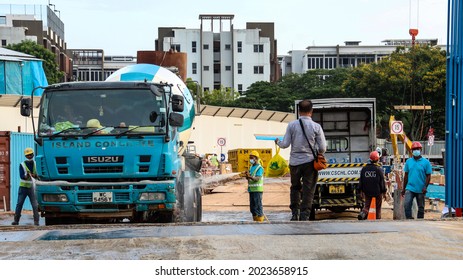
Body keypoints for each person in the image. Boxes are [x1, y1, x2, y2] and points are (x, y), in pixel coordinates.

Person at [275, 99, 326, 221]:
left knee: (295, 187)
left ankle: (294, 213)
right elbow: (323, 147)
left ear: (299, 111)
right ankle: (305, 215)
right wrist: (318, 153)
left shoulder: (292, 125)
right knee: (309, 189)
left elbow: (285, 144)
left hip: (294, 163)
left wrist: (277, 142)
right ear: (311, 111)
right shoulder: (316, 127)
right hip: (310, 163)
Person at [401, 141, 432, 219]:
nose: (416, 150)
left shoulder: (426, 162)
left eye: (417, 149)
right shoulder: (408, 162)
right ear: (412, 151)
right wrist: (403, 188)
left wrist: (425, 186)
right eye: (414, 149)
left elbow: (428, 176)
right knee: (407, 204)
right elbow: (406, 176)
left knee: (421, 207)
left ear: (420, 150)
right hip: (410, 187)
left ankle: (420, 220)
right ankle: (409, 219)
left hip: (421, 189)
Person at [12, 148, 40, 226]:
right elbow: (21, 176)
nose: (29, 156)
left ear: (33, 155)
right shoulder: (22, 164)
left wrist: (35, 176)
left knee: (35, 205)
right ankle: (16, 221)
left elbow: (39, 176)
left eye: (30, 154)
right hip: (23, 187)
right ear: (25, 156)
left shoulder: (36, 164)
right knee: (19, 204)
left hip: (32, 188)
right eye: (28, 155)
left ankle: (36, 222)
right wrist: (27, 175)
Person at [357, 151, 387, 220]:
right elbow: (382, 182)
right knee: (378, 207)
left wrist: (360, 190)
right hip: (377, 192)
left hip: (367, 192)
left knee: (367, 205)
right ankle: (378, 218)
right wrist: (384, 192)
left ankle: (363, 214)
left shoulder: (364, 169)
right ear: (377, 159)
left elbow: (361, 181)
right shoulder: (378, 169)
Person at [245, 150, 265, 222]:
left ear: (256, 158)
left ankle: (260, 220)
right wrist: (247, 176)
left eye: (251, 157)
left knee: (258, 206)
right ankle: (255, 220)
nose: (250, 159)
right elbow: (250, 177)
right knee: (252, 207)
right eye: (250, 157)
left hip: (257, 190)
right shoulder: (251, 167)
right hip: (251, 190)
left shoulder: (259, 168)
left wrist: (249, 177)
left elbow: (257, 178)